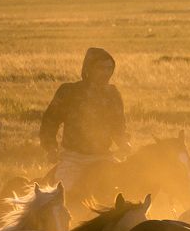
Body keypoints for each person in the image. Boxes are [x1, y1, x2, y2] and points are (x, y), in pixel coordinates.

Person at [39, 48, 130, 189]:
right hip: (73, 158)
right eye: (101, 68)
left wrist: (123, 143)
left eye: (109, 68)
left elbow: (118, 126)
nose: (106, 73)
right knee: (64, 194)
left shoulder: (113, 94)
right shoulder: (69, 91)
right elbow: (50, 122)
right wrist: (51, 148)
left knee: (124, 191)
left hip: (104, 157)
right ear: (88, 68)